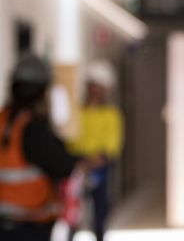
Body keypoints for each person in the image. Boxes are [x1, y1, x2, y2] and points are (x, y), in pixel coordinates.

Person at [0, 54, 77, 241]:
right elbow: (62, 165)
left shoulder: (3, 119)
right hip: (29, 225)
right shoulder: (32, 128)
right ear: (41, 91)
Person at [67, 59, 124, 241]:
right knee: (73, 213)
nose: (96, 91)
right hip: (76, 165)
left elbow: (111, 147)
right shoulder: (77, 112)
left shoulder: (111, 115)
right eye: (94, 86)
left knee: (100, 213)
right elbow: (70, 140)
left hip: (100, 166)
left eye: (100, 87)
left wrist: (90, 164)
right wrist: (79, 165)